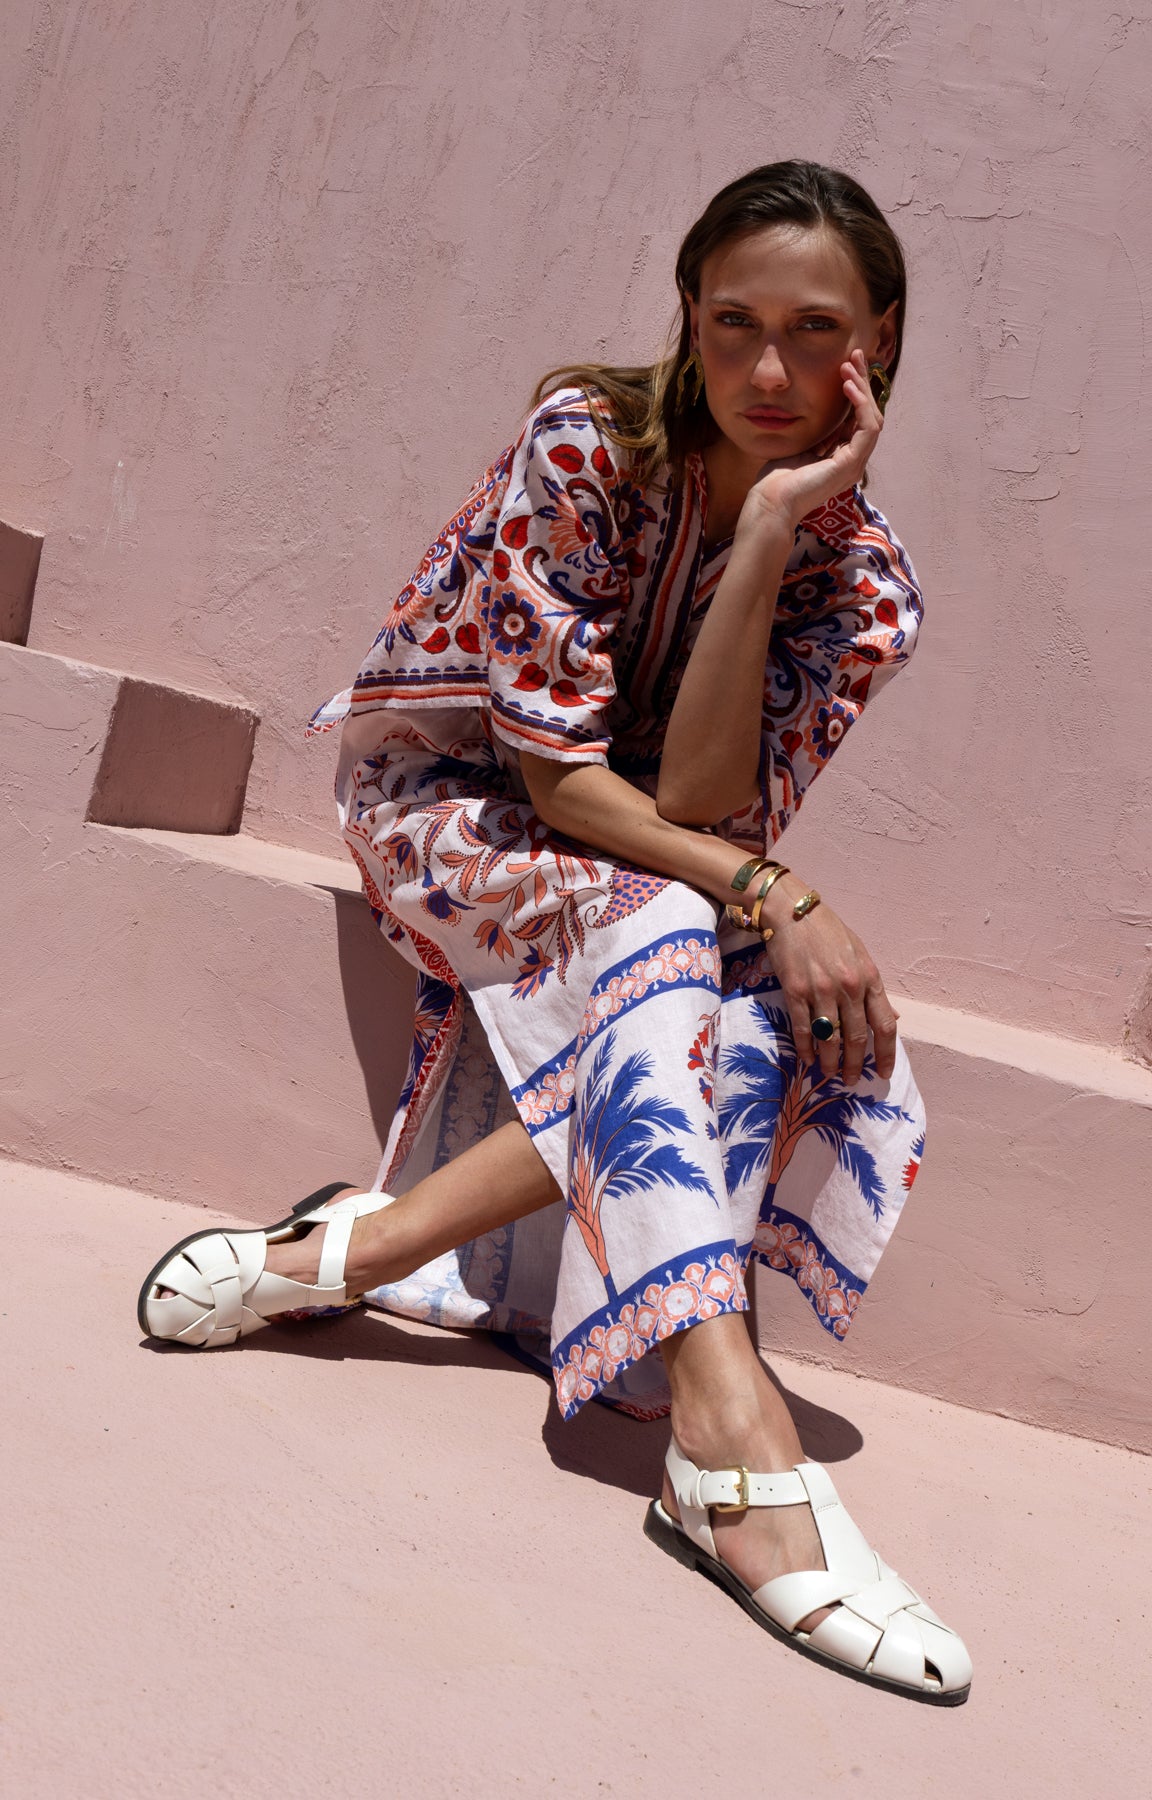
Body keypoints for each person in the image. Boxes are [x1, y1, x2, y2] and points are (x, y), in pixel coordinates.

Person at [138, 160, 972, 1703]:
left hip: (643, 870)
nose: (770, 371)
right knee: (713, 935)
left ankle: (359, 1247)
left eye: (815, 331)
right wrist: (773, 894)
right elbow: (554, 777)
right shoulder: (590, 443)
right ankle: (733, 1441)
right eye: (733, 324)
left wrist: (781, 527)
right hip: (445, 804)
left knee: (781, 1014)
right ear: (687, 316)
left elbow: (712, 804)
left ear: (883, 340)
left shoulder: (868, 590)